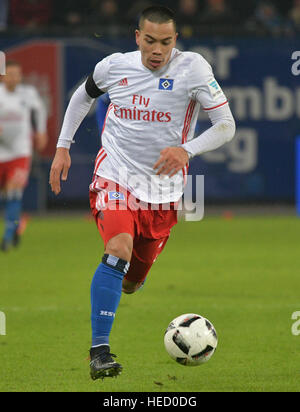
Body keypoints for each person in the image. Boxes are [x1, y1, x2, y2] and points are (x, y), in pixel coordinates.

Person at [49, 5, 235, 380]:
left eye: (165, 42)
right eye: (149, 41)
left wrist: (187, 150)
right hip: (114, 175)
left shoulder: (194, 69)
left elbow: (226, 125)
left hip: (163, 195)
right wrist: (63, 146)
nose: (156, 50)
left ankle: (131, 274)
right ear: (138, 37)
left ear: (175, 41)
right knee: (117, 247)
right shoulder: (114, 66)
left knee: (132, 282)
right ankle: (99, 350)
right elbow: (81, 96)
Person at [0, 60, 48, 251]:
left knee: (14, 191)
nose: (14, 78)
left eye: (17, 74)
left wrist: (41, 131)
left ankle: (7, 237)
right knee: (6, 194)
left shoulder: (28, 94)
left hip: (20, 151)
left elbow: (40, 110)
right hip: (1, 152)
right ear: (3, 76)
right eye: (10, 74)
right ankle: (16, 224)